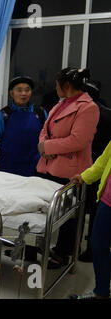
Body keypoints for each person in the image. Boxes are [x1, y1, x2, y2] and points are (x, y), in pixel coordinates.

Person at [35, 67, 100, 269]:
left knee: (69, 216)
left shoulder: (88, 108)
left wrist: (48, 147)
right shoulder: (62, 103)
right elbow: (46, 129)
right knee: (53, 210)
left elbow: (79, 140)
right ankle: (49, 247)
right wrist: (44, 145)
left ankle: (64, 254)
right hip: (50, 163)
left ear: (67, 86)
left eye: (57, 85)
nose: (55, 88)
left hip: (72, 170)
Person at [70, 141, 111, 299]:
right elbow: (102, 162)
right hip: (107, 201)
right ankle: (101, 292)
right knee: (98, 244)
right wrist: (84, 177)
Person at [0, 76, 47, 177]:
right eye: (19, 90)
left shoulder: (40, 113)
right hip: (7, 165)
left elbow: (48, 135)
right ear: (12, 93)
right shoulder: (4, 114)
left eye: (27, 90)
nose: (23, 93)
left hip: (34, 165)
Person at [79, 81, 111, 262]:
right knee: (93, 211)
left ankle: (88, 249)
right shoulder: (104, 112)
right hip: (96, 169)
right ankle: (90, 248)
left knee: (88, 209)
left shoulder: (93, 114)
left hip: (95, 167)